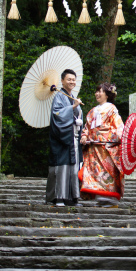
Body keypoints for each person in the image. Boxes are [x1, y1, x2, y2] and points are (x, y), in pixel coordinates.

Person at [80, 82, 124, 208]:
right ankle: (100, 198)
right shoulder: (92, 111)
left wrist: (106, 136)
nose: (97, 94)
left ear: (107, 94)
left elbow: (119, 128)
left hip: (106, 148)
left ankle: (109, 199)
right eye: (97, 91)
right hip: (93, 148)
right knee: (95, 173)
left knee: (107, 173)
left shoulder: (112, 110)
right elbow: (87, 128)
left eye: (100, 91)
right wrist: (84, 135)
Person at [45, 69, 83, 207]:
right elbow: (57, 115)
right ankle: (58, 197)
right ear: (62, 81)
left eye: (73, 79)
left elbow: (78, 117)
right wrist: (73, 107)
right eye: (69, 79)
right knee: (62, 167)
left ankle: (72, 197)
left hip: (74, 138)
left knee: (74, 168)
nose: (72, 82)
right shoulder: (59, 97)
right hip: (62, 137)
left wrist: (79, 123)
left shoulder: (72, 96)